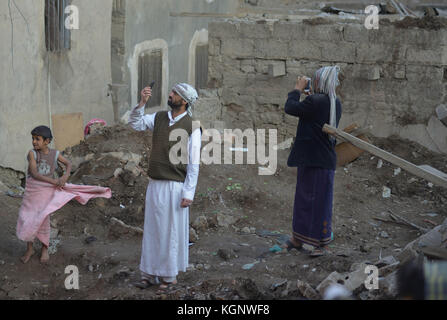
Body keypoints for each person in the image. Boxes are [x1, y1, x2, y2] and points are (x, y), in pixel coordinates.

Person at [129, 83, 201, 290]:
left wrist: (189, 192)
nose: (170, 95)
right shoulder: (159, 118)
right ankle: (149, 274)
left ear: (184, 101)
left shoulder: (192, 127)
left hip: (175, 186)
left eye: (175, 94)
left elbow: (194, 162)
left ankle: (169, 277)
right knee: (152, 230)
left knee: (171, 231)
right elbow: (135, 124)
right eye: (172, 92)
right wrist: (142, 102)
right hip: (155, 184)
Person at [16, 125, 112, 264]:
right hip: (33, 192)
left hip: (45, 192)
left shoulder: (55, 154)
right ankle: (29, 249)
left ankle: (44, 248)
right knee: (28, 218)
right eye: (33, 139)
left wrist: (65, 177)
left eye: (37, 139)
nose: (34, 142)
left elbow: (68, 164)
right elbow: (35, 173)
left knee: (43, 219)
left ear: (47, 141)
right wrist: (54, 181)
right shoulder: (32, 153)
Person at [282, 66, 342, 257]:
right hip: (320, 159)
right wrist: (309, 94)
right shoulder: (333, 101)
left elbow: (290, 107)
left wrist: (297, 89)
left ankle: (318, 243)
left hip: (314, 158)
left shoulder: (316, 101)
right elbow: (313, 113)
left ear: (318, 82)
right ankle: (302, 239)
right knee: (318, 201)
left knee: (306, 201)